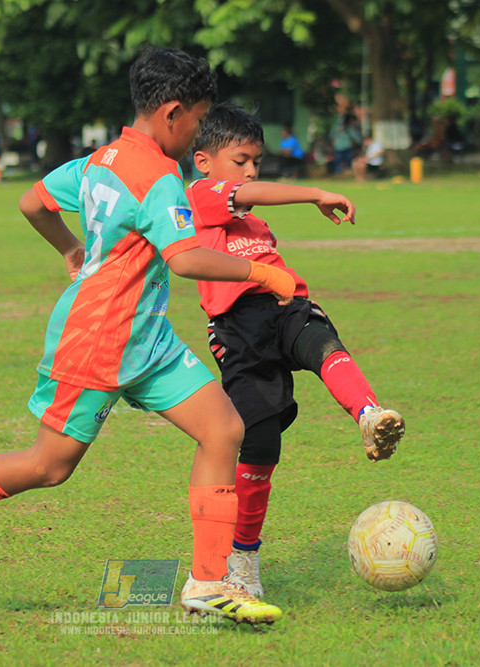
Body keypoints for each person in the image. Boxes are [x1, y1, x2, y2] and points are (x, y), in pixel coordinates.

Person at [0, 48, 296, 625]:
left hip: (145, 338)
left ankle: (207, 582)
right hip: (99, 338)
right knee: (50, 466)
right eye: (199, 119)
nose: (200, 130)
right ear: (173, 113)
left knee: (224, 428)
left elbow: (33, 202)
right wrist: (263, 271)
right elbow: (184, 259)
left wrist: (72, 250)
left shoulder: (104, 158)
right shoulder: (158, 176)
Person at [186, 102, 405, 598]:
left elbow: (255, 200)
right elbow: (252, 193)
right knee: (261, 445)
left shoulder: (253, 223)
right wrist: (315, 193)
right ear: (204, 162)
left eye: (256, 161)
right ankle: (241, 559)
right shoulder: (201, 194)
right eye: (240, 160)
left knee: (322, 342)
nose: (249, 171)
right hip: (237, 328)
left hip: (283, 303)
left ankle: (369, 415)